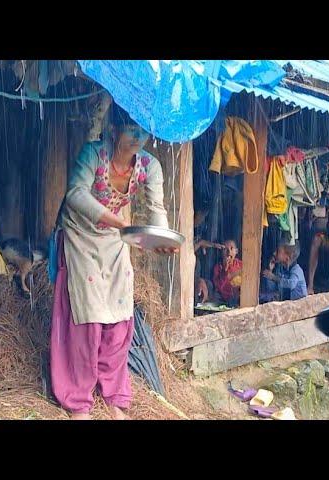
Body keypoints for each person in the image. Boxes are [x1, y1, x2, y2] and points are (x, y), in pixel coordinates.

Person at [50, 105, 177, 420]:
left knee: (120, 313)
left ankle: (113, 396)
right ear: (114, 128)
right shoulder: (94, 154)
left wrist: (157, 241)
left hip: (114, 240)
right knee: (88, 316)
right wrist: (120, 224)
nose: (138, 137)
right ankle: (77, 399)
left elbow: (156, 209)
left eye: (143, 130)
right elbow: (75, 195)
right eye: (131, 129)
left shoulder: (150, 166)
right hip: (80, 236)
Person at [193, 208, 224, 303]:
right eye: (202, 216)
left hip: (197, 272)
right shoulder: (187, 228)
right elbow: (190, 250)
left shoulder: (199, 228)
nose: (202, 219)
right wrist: (202, 244)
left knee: (209, 285)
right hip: (191, 274)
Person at [213, 239, 242, 305]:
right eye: (225, 249)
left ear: (236, 251)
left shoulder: (241, 265)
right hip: (224, 298)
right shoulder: (218, 267)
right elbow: (219, 287)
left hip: (239, 297)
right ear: (221, 252)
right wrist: (225, 270)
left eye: (231, 248)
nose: (228, 252)